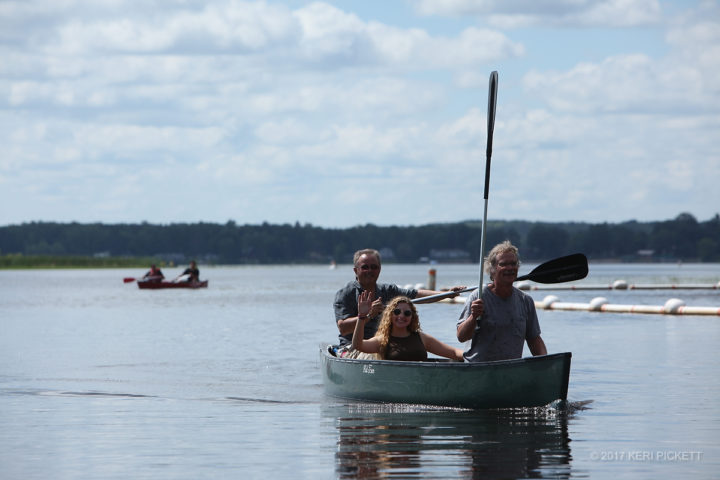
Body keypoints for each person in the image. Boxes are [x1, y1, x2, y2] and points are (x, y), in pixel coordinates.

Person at [334, 248, 466, 347]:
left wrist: (447, 294)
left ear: (379, 269)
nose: (370, 271)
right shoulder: (345, 294)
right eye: (365, 267)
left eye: (374, 267)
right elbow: (343, 328)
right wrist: (367, 315)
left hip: (384, 345)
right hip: (353, 348)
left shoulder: (387, 290)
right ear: (356, 271)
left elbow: (417, 295)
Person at [456, 241, 547, 362]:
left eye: (513, 264)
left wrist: (546, 362)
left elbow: (534, 339)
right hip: (478, 370)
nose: (509, 268)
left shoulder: (525, 300)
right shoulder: (478, 297)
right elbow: (461, 337)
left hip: (510, 370)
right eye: (503, 264)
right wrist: (473, 316)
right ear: (492, 269)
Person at [352, 293, 464, 361]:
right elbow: (358, 345)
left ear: (412, 317)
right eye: (396, 312)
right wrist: (361, 317)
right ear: (389, 315)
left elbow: (453, 353)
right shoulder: (382, 340)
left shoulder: (421, 338)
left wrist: (475, 356)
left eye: (407, 313)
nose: (401, 316)